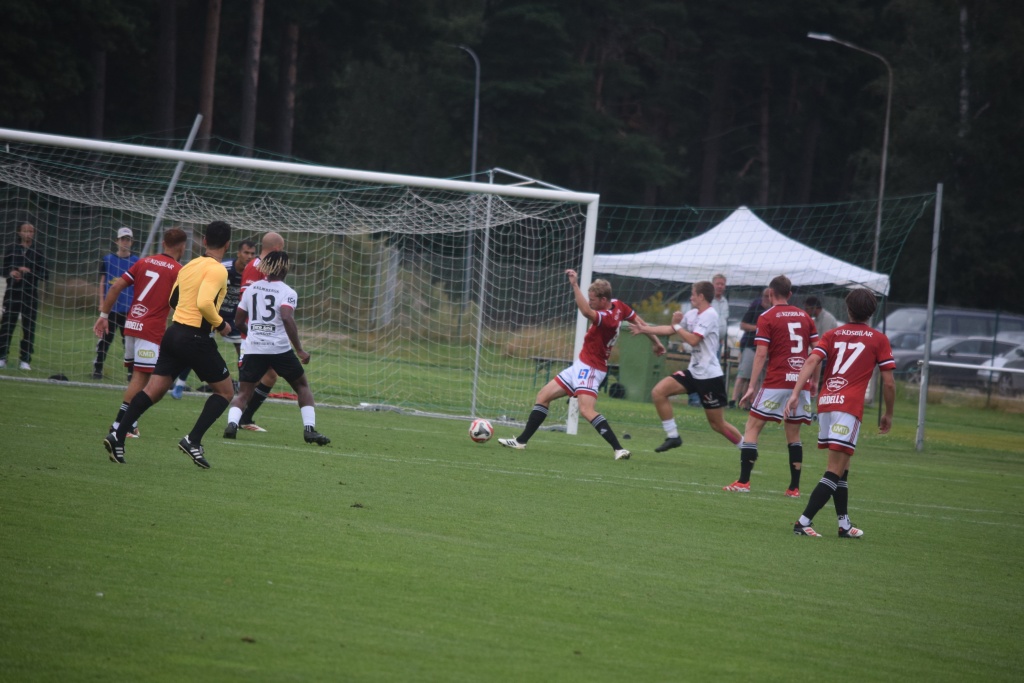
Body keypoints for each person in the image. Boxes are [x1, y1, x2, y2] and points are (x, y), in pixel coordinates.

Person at [103, 221, 236, 469]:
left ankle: (118, 434)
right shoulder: (218, 270)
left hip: (173, 333)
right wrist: (221, 325)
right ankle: (192, 440)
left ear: (204, 241)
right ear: (228, 244)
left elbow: (174, 299)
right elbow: (205, 303)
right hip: (196, 337)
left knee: (154, 390)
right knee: (226, 392)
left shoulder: (190, 265)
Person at [498, 269, 665, 460]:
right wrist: (656, 342)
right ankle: (521, 441)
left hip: (592, 368)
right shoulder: (618, 306)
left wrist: (575, 285)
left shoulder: (608, 319)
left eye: (592, 299)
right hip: (581, 365)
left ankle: (619, 449)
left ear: (603, 299)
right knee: (543, 396)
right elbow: (640, 322)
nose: (590, 302)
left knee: (586, 410)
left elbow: (585, 311)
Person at [785, 288, 896, 538]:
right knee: (834, 469)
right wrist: (888, 413)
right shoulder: (878, 339)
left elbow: (811, 361)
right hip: (848, 407)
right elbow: (889, 383)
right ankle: (803, 522)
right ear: (872, 312)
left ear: (848, 309)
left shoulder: (833, 334)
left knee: (842, 467)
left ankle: (844, 525)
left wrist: (795, 393)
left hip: (827, 404)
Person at [223, 251, 330, 445]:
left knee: (244, 392)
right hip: (279, 349)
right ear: (284, 269)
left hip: (254, 348)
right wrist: (299, 349)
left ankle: (232, 424)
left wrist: (254, 334)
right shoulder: (287, 292)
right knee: (302, 386)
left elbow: (238, 321)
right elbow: (286, 317)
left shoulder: (252, 289)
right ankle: (309, 430)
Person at [724, 275, 818, 495]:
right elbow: (817, 351)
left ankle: (744, 482)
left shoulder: (767, 317)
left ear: (770, 293)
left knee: (752, 427)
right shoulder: (805, 316)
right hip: (800, 382)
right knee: (793, 434)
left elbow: (761, 354)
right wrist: (814, 379)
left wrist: (751, 386)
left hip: (776, 381)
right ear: (790, 294)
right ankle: (794, 488)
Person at [93, 228, 188, 445]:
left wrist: (103, 316)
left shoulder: (143, 262)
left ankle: (131, 423)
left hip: (132, 324)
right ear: (182, 247)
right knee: (143, 378)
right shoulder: (178, 270)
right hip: (150, 331)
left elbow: (116, 286)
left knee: (144, 377)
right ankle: (119, 425)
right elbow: (180, 303)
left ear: (163, 243)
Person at [630, 280, 743, 452]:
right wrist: (644, 329)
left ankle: (746, 447)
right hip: (694, 372)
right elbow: (670, 329)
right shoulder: (692, 314)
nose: (691, 297)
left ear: (701, 296)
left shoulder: (710, 315)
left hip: (709, 376)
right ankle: (673, 436)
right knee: (659, 392)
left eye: (693, 294)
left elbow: (693, 340)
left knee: (717, 424)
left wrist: (676, 325)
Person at [171, 238, 256, 398]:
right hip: (213, 314)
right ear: (238, 253)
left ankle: (243, 389)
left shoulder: (252, 273)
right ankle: (180, 384)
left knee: (243, 351)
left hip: (235, 318)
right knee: (196, 348)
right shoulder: (223, 268)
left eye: (252, 253)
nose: (249, 256)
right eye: (246, 252)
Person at [229, 232, 286, 431]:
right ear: (277, 249)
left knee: (270, 375)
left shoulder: (265, 267)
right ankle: (237, 420)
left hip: (264, 333)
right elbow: (247, 300)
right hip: (253, 334)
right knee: (251, 381)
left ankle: (245, 418)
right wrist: (251, 330)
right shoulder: (255, 267)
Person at [0, 222, 48, 370]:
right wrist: (11, 272)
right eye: (25, 231)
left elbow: (45, 274)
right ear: (19, 233)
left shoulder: (38, 252)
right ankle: (2, 357)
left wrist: (30, 272)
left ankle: (25, 360)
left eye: (31, 231)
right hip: (12, 293)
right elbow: (3, 270)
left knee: (28, 328)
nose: (28, 234)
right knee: (7, 326)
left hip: (30, 295)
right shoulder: (11, 249)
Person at [93, 227, 139, 380]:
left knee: (129, 342)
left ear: (132, 242)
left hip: (128, 309)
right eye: (122, 239)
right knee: (105, 339)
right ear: (117, 241)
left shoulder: (136, 261)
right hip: (111, 308)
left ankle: (131, 373)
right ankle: (97, 369)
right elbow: (102, 282)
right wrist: (102, 302)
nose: (125, 242)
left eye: (128, 239)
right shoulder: (107, 260)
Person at [730, 288, 771, 408]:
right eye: (765, 296)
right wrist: (758, 328)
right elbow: (743, 325)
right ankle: (733, 400)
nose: (767, 299)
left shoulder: (773, 311)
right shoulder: (755, 308)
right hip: (750, 345)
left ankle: (751, 402)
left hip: (765, 347)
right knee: (743, 374)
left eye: (770, 296)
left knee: (757, 377)